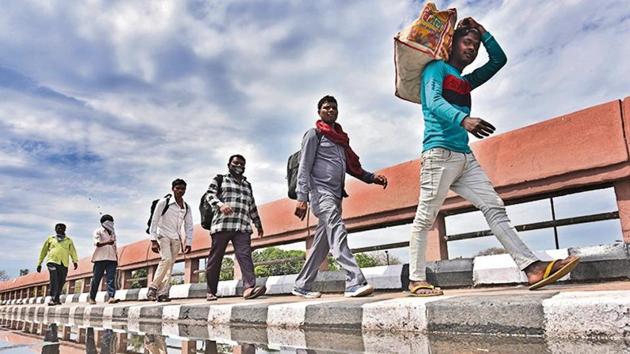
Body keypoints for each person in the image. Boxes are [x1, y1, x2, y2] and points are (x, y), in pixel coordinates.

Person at [408, 17, 580, 296]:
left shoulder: (465, 81)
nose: (472, 49)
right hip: (438, 153)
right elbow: (433, 102)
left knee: (494, 207)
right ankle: (416, 279)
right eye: (467, 42)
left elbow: (498, 60)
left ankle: (531, 268)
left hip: (464, 157)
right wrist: (463, 119)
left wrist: (484, 32)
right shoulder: (435, 69)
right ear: (452, 43)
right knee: (426, 217)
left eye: (475, 45)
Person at [292, 95, 389, 298]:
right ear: (319, 111)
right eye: (326, 107)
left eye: (334, 108)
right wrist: (302, 197)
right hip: (320, 192)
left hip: (336, 195)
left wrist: (372, 178)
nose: (330, 110)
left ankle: (301, 284)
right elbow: (304, 167)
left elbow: (352, 167)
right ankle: (354, 281)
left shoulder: (340, 139)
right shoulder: (314, 135)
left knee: (322, 243)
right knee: (337, 230)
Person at [204, 154, 267, 301]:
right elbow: (210, 195)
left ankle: (249, 288)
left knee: (245, 257)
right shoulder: (220, 179)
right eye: (236, 163)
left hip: (243, 226)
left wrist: (258, 224)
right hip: (222, 226)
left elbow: (251, 205)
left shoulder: (247, 184)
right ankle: (211, 291)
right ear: (229, 165)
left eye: (242, 164)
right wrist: (220, 205)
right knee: (216, 259)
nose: (239, 166)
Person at [147, 178, 193, 302]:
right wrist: (153, 239)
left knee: (170, 265)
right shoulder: (164, 202)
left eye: (183, 189)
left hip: (176, 238)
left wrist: (188, 242)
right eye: (178, 188)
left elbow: (189, 226)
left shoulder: (186, 207)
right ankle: (153, 286)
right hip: (163, 235)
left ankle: (163, 293)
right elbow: (154, 220)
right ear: (173, 189)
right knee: (166, 259)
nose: (180, 191)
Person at [36, 223, 79, 306]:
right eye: (58, 228)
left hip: (63, 263)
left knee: (61, 281)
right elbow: (43, 251)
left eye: (61, 228)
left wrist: (75, 261)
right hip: (52, 262)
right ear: (55, 229)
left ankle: (57, 298)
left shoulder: (68, 240)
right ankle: (53, 298)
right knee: (54, 278)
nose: (59, 229)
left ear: (64, 230)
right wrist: (39, 263)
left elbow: (73, 251)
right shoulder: (50, 239)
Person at [88, 214, 119, 305]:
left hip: (112, 258)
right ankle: (92, 298)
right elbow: (97, 243)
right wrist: (107, 242)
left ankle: (111, 297)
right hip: (100, 258)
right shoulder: (98, 231)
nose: (111, 223)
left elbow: (115, 246)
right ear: (104, 223)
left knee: (111, 278)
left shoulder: (113, 232)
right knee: (96, 279)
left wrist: (117, 258)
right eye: (109, 221)